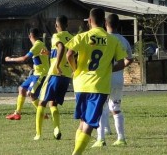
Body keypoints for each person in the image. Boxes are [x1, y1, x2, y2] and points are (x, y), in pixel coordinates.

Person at [66, 8, 126, 155]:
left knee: (82, 121)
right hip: (98, 85)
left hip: (80, 84)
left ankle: (75, 150)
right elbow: (123, 61)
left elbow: (69, 54)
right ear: (104, 22)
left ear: (89, 21)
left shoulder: (82, 36)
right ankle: (76, 153)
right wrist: (108, 68)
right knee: (90, 124)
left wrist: (75, 69)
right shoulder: (112, 40)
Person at [92, 13, 134, 147]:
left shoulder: (105, 39)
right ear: (118, 25)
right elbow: (130, 59)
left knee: (101, 107)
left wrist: (108, 69)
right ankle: (121, 138)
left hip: (104, 78)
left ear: (105, 23)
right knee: (116, 107)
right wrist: (118, 68)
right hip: (118, 80)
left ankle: (101, 138)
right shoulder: (123, 40)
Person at [34, 15, 73, 140]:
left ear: (56, 25)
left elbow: (61, 48)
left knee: (41, 102)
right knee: (53, 103)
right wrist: (50, 54)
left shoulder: (57, 36)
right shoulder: (72, 38)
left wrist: (56, 65)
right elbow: (70, 53)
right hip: (66, 76)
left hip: (55, 73)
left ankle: (38, 134)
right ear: (67, 25)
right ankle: (56, 129)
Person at [4, 28, 49, 120]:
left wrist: (10, 59)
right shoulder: (40, 44)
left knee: (31, 94)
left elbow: (25, 58)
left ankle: (43, 114)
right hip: (36, 73)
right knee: (22, 89)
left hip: (41, 74)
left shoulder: (37, 45)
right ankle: (17, 113)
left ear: (30, 36)